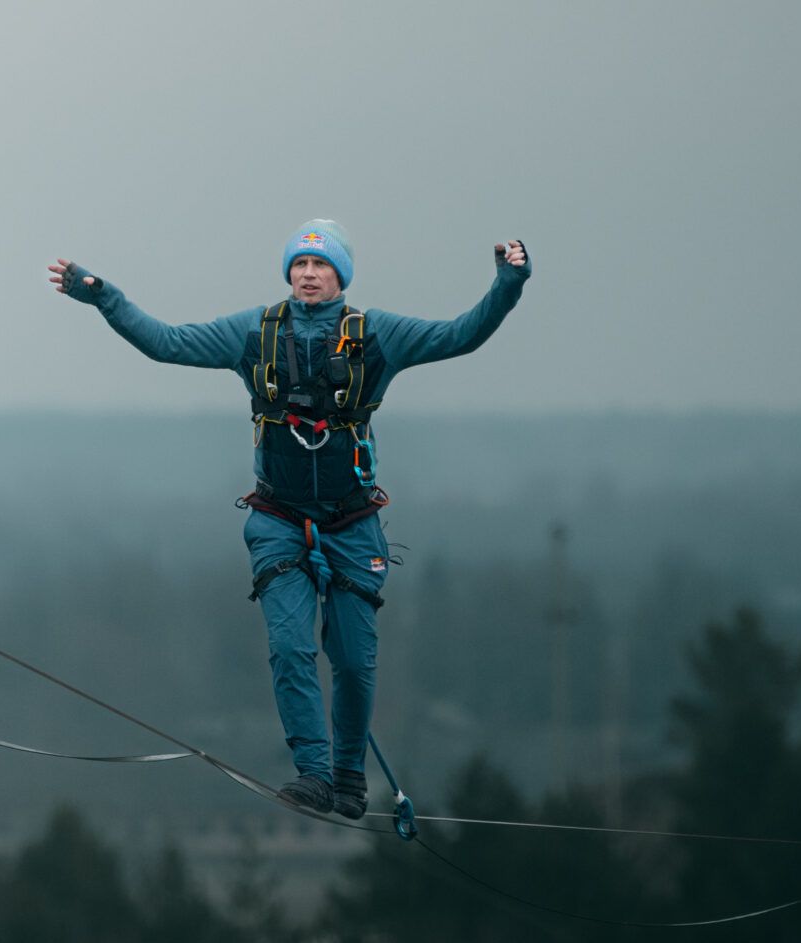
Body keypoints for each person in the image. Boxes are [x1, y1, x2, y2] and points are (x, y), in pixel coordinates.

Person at [48, 221, 530, 819]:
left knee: (353, 660)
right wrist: (102, 295)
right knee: (290, 647)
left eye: (320, 266)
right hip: (277, 519)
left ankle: (349, 779)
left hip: (353, 524)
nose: (307, 274)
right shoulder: (254, 332)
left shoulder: (377, 334)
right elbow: (166, 342)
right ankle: (313, 773)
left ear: (340, 276)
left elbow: (463, 335)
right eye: (299, 264)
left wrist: (508, 282)